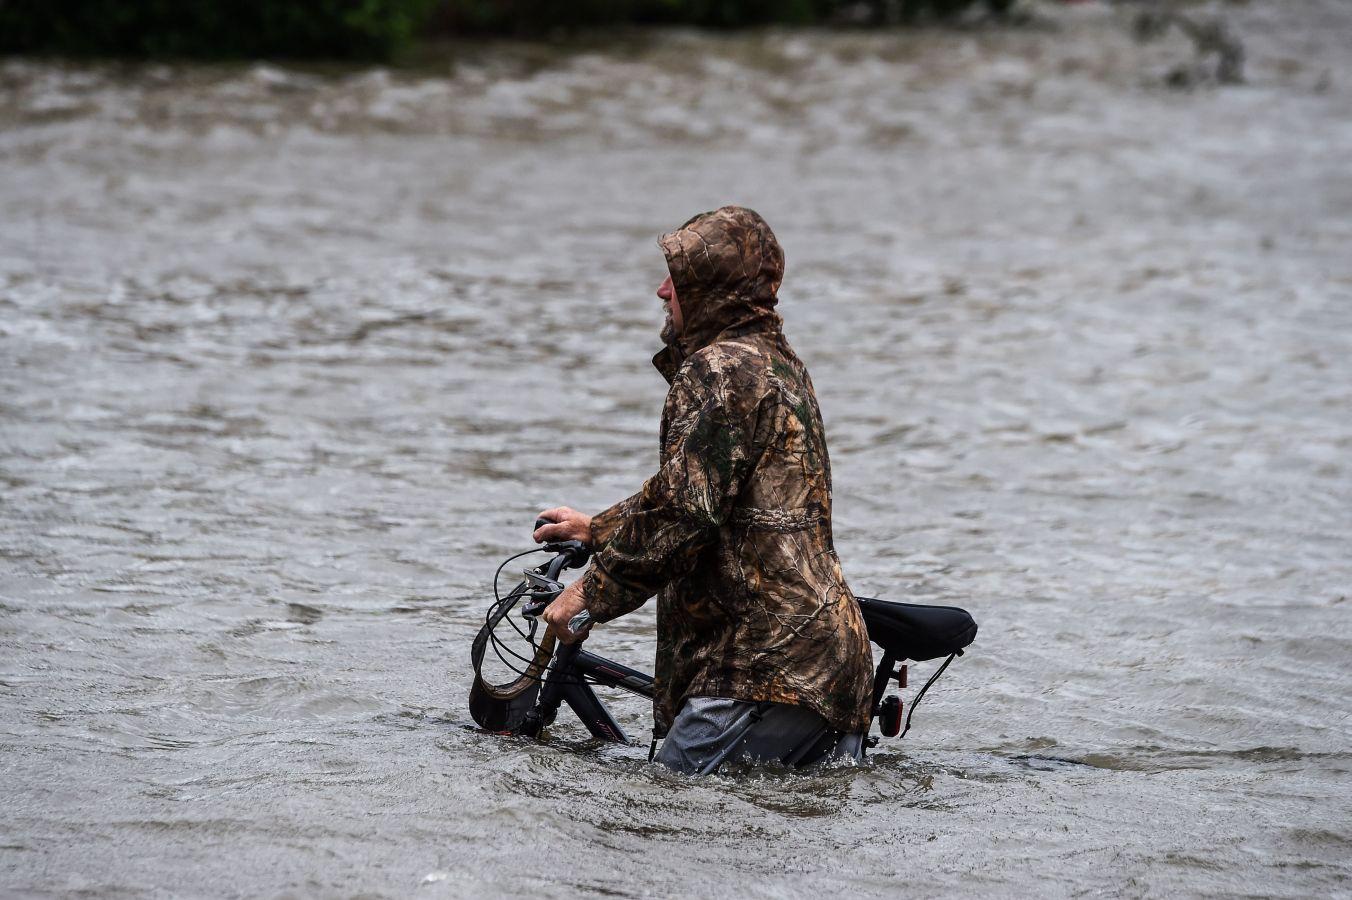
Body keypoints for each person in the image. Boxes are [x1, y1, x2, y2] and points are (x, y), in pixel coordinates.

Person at [534, 206, 873, 774]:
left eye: (679, 277)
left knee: (662, 808)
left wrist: (591, 592)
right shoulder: (775, 363)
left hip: (757, 668)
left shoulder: (719, 371)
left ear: (713, 288)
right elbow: (707, 491)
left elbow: (685, 513)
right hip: (821, 664)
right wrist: (600, 529)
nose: (662, 290)